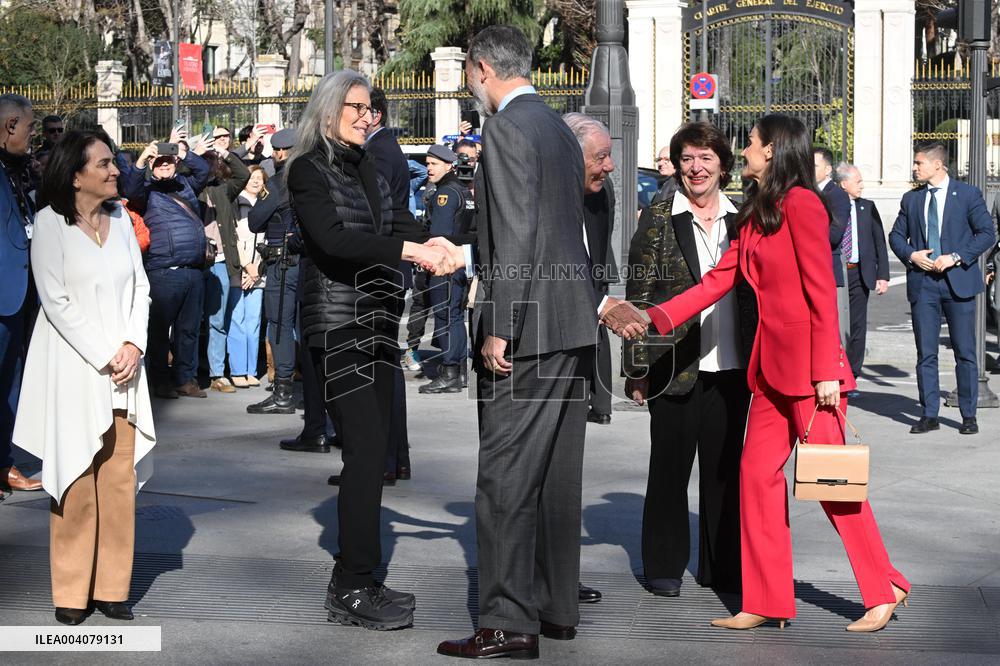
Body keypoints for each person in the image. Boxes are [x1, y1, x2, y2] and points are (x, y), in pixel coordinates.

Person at [616, 114, 910, 633]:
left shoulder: (801, 204)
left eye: (750, 143)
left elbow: (822, 290)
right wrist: (652, 318)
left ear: (772, 151)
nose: (743, 150)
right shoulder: (756, 211)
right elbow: (717, 281)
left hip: (811, 374)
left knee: (833, 485)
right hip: (770, 373)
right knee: (754, 478)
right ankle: (767, 598)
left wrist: (826, 369)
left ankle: (881, 587)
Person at [437, 26, 635, 659]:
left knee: (504, 479)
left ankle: (506, 622)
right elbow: (561, 230)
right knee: (554, 477)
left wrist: (500, 322)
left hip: (529, 328)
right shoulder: (556, 126)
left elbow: (519, 232)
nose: (472, 86)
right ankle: (556, 609)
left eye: (471, 75)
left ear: (482, 68)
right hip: (570, 326)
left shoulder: (504, 128)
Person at [286, 69, 461, 630]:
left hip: (380, 321)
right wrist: (409, 249)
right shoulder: (308, 168)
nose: (368, 117)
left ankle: (360, 574)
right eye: (356, 107)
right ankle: (354, 586)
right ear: (330, 109)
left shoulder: (369, 165)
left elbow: (398, 221)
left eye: (371, 108)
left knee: (378, 451)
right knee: (363, 453)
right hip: (337, 324)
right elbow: (333, 241)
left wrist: (433, 242)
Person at [13, 130, 156, 625]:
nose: (116, 170)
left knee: (118, 480)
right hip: (74, 371)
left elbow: (141, 289)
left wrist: (133, 345)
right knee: (74, 479)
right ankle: (72, 593)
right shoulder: (50, 224)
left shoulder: (121, 222)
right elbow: (56, 301)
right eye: (104, 164)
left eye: (113, 162)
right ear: (76, 175)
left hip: (125, 371)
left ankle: (113, 588)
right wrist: (106, 354)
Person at [623, 122, 755, 599]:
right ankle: (663, 564)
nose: (696, 168)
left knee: (725, 471)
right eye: (687, 159)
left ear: (722, 164)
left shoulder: (744, 217)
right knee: (669, 470)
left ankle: (722, 567)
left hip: (733, 365)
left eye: (705, 158)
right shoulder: (657, 217)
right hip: (673, 365)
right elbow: (636, 297)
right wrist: (637, 369)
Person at [888, 142, 995, 435]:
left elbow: (987, 233)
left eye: (919, 162)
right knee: (926, 353)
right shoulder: (912, 200)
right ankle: (929, 414)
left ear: (937, 165)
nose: (914, 167)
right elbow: (896, 236)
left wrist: (957, 257)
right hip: (924, 286)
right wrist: (912, 255)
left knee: (965, 352)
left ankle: (968, 415)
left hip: (957, 283)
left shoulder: (968, 195)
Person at [124, 132, 212, 399]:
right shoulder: (146, 191)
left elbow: (204, 170)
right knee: (159, 331)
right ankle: (161, 381)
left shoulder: (185, 184)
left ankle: (186, 379)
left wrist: (184, 153)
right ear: (152, 166)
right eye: (159, 162)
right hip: (164, 271)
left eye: (169, 161)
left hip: (194, 271)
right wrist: (141, 160)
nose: (165, 165)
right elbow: (129, 188)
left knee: (189, 329)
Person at [0, 93, 43, 498]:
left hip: (17, 296)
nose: (33, 136)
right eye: (30, 129)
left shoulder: (17, 170)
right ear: (10, 126)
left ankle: (4, 464)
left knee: (9, 384)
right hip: (2, 295)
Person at [563, 112, 619, 425]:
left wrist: (596, 293)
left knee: (598, 337)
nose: (609, 167)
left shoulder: (601, 191)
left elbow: (599, 239)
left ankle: (600, 402)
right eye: (601, 157)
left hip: (592, 282)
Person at [248, 129, 301, 415]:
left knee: (279, 326)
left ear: (281, 152)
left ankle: (282, 391)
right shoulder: (314, 179)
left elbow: (256, 221)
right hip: (307, 263)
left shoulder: (279, 183)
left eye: (276, 150)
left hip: (283, 262)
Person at [418, 144, 469, 394]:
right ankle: (457, 371)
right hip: (460, 263)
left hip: (445, 265)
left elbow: (439, 236)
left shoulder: (445, 194)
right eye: (427, 164)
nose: (429, 168)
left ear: (449, 165)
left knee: (444, 318)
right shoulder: (463, 191)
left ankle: (450, 372)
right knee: (455, 317)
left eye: (434, 164)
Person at [200, 146, 251, 393]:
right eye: (206, 159)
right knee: (204, 320)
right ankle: (204, 373)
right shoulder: (190, 187)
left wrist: (224, 150)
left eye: (214, 159)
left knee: (221, 319)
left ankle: (220, 372)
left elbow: (243, 175)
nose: (211, 162)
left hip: (223, 261)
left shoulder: (224, 187)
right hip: (200, 263)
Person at [836, 163, 890, 384]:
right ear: (843, 184)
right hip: (838, 274)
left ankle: (853, 373)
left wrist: (883, 275)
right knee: (838, 324)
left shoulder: (867, 207)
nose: (862, 186)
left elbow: (879, 241)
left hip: (860, 273)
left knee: (858, 325)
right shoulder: (831, 207)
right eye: (857, 182)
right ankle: (837, 368)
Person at [227, 166, 266, 388]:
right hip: (238, 272)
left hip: (257, 275)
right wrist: (245, 266)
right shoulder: (234, 203)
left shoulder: (266, 205)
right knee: (237, 321)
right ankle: (238, 370)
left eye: (260, 178)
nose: (255, 181)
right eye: (252, 177)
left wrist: (257, 271)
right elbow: (232, 238)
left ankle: (251, 370)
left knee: (254, 322)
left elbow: (268, 241)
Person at [814, 146, 850, 347]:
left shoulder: (836, 195)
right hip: (809, 270)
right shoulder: (803, 191)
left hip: (827, 269)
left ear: (828, 170)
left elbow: (834, 234)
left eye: (815, 165)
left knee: (829, 336)